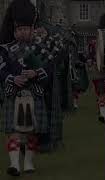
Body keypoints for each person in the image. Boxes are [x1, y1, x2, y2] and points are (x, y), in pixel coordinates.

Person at [0, 0, 52, 176]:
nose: (24, 32)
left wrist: (35, 73)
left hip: (33, 93)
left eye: (27, 29)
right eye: (20, 29)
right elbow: (1, 69)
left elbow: (48, 69)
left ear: (32, 29)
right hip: (13, 93)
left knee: (32, 134)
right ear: (14, 29)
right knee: (13, 133)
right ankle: (14, 164)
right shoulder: (5, 49)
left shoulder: (40, 49)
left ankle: (29, 162)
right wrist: (12, 78)